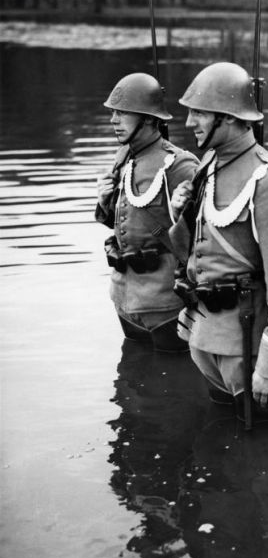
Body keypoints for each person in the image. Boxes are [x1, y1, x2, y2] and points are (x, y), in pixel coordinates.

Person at [169, 62, 268, 414]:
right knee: (221, 446)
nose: (189, 123)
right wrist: (181, 212)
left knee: (261, 455)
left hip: (247, 352)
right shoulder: (209, 166)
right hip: (204, 337)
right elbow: (199, 249)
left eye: (199, 113)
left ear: (230, 117)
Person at [96, 72, 199, 350]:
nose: (113, 120)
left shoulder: (179, 165)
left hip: (164, 301)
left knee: (175, 377)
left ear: (149, 119)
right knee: (132, 375)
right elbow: (126, 223)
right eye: (113, 112)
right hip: (123, 296)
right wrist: (104, 202)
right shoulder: (124, 156)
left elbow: (203, 236)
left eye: (123, 113)